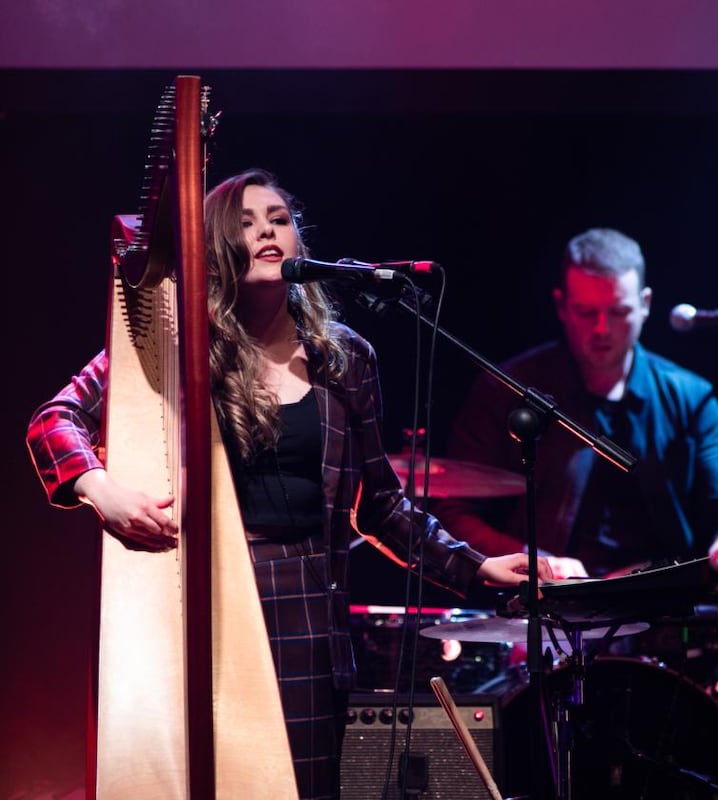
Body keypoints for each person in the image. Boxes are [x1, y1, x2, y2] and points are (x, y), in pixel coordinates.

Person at [26, 168, 551, 800]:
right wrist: (101, 490)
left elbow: (382, 506)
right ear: (214, 248)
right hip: (207, 608)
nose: (268, 232)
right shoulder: (174, 347)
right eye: (246, 224)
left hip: (308, 616)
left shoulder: (345, 359)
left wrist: (477, 567)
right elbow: (54, 420)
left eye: (279, 219)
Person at [436, 227, 718, 599]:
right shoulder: (505, 389)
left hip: (661, 604)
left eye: (618, 312)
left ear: (646, 304)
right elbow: (452, 512)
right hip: (547, 605)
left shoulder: (692, 397)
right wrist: (532, 560)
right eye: (586, 312)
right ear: (561, 306)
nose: (602, 329)